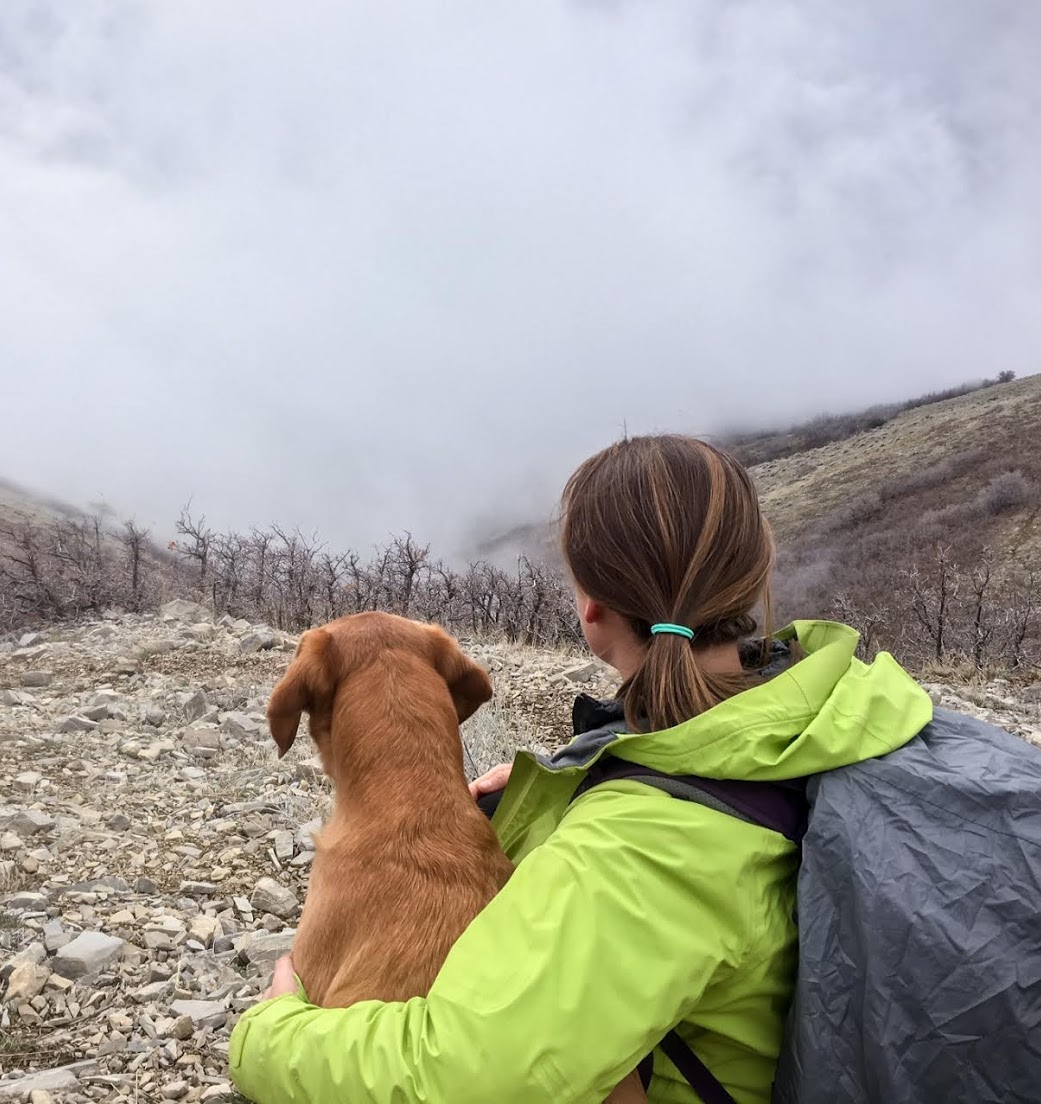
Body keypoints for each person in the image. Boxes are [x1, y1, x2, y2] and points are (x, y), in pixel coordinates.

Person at [228, 434, 934, 1103]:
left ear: (591, 607)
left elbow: (459, 1082)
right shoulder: (818, 706)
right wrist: (574, 798)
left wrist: (269, 1033)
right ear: (748, 581)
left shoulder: (642, 849)